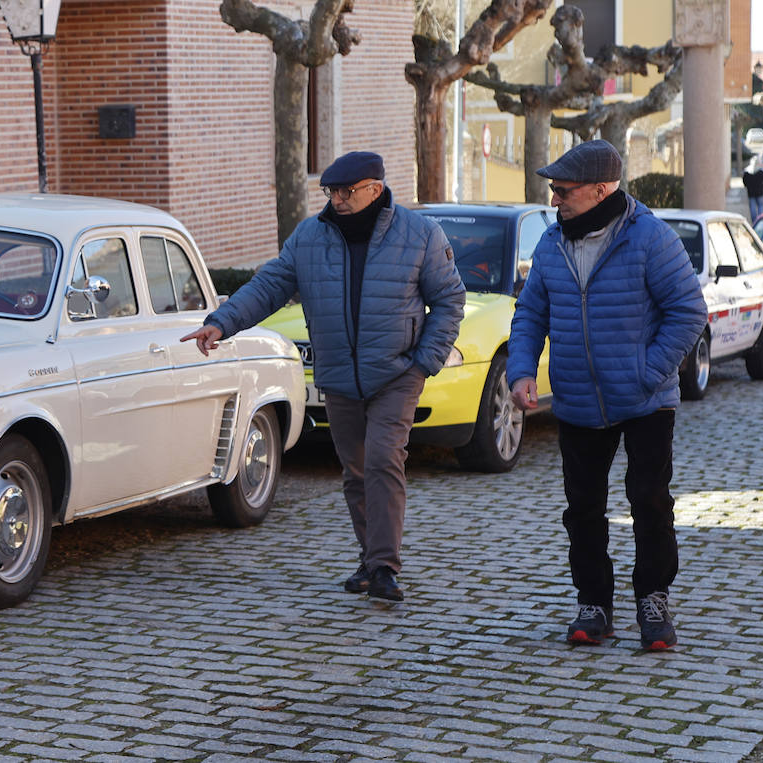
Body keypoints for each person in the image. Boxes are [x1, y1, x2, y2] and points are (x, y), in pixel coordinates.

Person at [180, 151, 465, 602]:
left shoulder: (419, 234)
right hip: (337, 375)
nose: (337, 200)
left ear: (375, 187)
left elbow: (450, 300)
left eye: (346, 192)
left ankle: (385, 567)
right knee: (355, 470)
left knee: (383, 461)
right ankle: (370, 560)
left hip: (397, 372)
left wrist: (423, 362)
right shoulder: (311, 236)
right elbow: (269, 284)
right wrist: (223, 321)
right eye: (331, 191)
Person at [506, 139, 706, 651]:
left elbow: (688, 312)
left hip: (645, 400)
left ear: (601, 190)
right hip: (576, 399)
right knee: (583, 508)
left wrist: (649, 371)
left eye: (563, 191)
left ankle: (654, 602)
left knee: (649, 501)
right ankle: (593, 603)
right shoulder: (552, 245)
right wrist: (522, 371)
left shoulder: (650, 238)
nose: (554, 200)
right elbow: (530, 314)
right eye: (553, 190)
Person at [742, 156, 763, 222]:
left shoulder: (747, 171)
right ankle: (760, 220)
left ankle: (754, 221)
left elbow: (744, 181)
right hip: (760, 192)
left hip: (751, 192)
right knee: (760, 206)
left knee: (752, 207)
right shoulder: (761, 171)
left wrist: (748, 187)